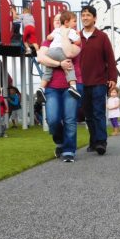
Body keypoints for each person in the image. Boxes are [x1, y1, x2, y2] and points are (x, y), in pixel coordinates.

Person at [37, 22, 84, 163]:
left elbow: (70, 53)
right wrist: (59, 64)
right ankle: (60, 142)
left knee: (70, 119)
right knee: (53, 119)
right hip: (52, 87)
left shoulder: (74, 38)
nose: (60, 25)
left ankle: (69, 150)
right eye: (57, 22)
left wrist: (64, 35)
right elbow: (41, 58)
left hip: (71, 86)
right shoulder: (48, 41)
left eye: (62, 22)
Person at [79, 5, 117, 155]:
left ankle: (101, 142)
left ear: (94, 18)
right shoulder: (76, 37)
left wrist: (113, 78)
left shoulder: (102, 37)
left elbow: (110, 60)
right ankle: (93, 140)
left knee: (98, 113)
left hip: (99, 81)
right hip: (81, 82)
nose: (85, 18)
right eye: (83, 15)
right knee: (88, 115)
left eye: (88, 15)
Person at [36, 11, 81, 101]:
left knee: (48, 72)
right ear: (66, 22)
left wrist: (52, 36)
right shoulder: (70, 31)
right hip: (61, 51)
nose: (75, 24)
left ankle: (41, 88)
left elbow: (49, 37)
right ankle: (73, 86)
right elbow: (78, 42)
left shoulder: (56, 30)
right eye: (74, 21)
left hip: (51, 52)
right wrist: (78, 36)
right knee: (69, 67)